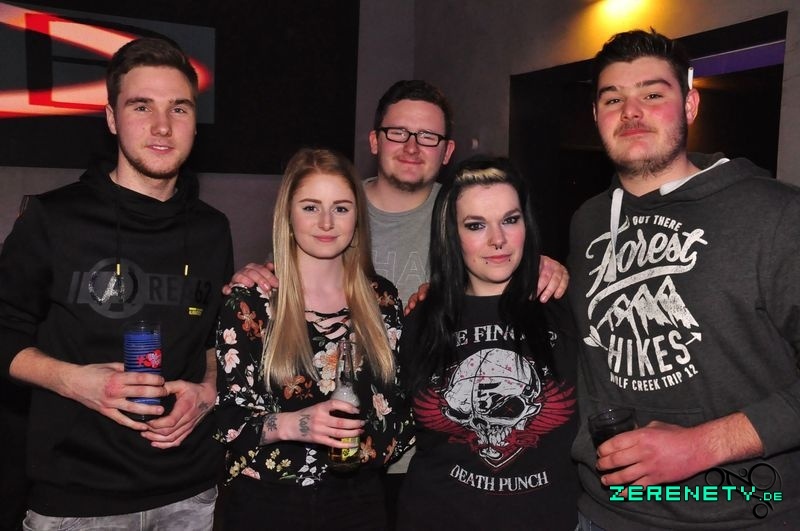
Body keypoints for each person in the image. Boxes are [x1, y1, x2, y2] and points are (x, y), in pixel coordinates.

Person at [226, 81, 570, 526]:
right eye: (398, 133)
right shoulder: (332, 205)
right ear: (374, 140)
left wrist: (542, 263)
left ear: (447, 151)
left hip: (408, 470)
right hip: (294, 493)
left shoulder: (464, 209)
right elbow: (234, 401)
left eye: (427, 136)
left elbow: (504, 245)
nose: (411, 146)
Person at [568, 29, 800, 530]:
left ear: (690, 106)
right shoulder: (587, 221)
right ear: (596, 115)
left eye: (653, 94)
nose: (631, 112)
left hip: (743, 515)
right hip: (605, 515)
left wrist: (703, 445)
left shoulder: (777, 215)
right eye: (613, 99)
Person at [0, 37, 233, 529]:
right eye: (141, 106)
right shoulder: (54, 218)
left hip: (192, 494)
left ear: (195, 122)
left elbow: (215, 338)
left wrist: (207, 390)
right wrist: (75, 382)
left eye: (179, 108)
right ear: (111, 118)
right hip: (77, 503)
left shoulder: (213, 229)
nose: (162, 126)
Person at [215, 147, 413, 531]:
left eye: (341, 208)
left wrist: (372, 446)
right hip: (267, 503)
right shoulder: (252, 302)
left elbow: (401, 409)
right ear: (288, 216)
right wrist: (294, 424)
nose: (326, 222)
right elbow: (227, 422)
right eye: (310, 207)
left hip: (359, 501)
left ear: (357, 217)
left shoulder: (382, 300)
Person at [397, 155, 579, 530]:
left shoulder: (565, 308)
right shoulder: (421, 319)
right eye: (476, 225)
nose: (498, 240)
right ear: (452, 234)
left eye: (510, 220)